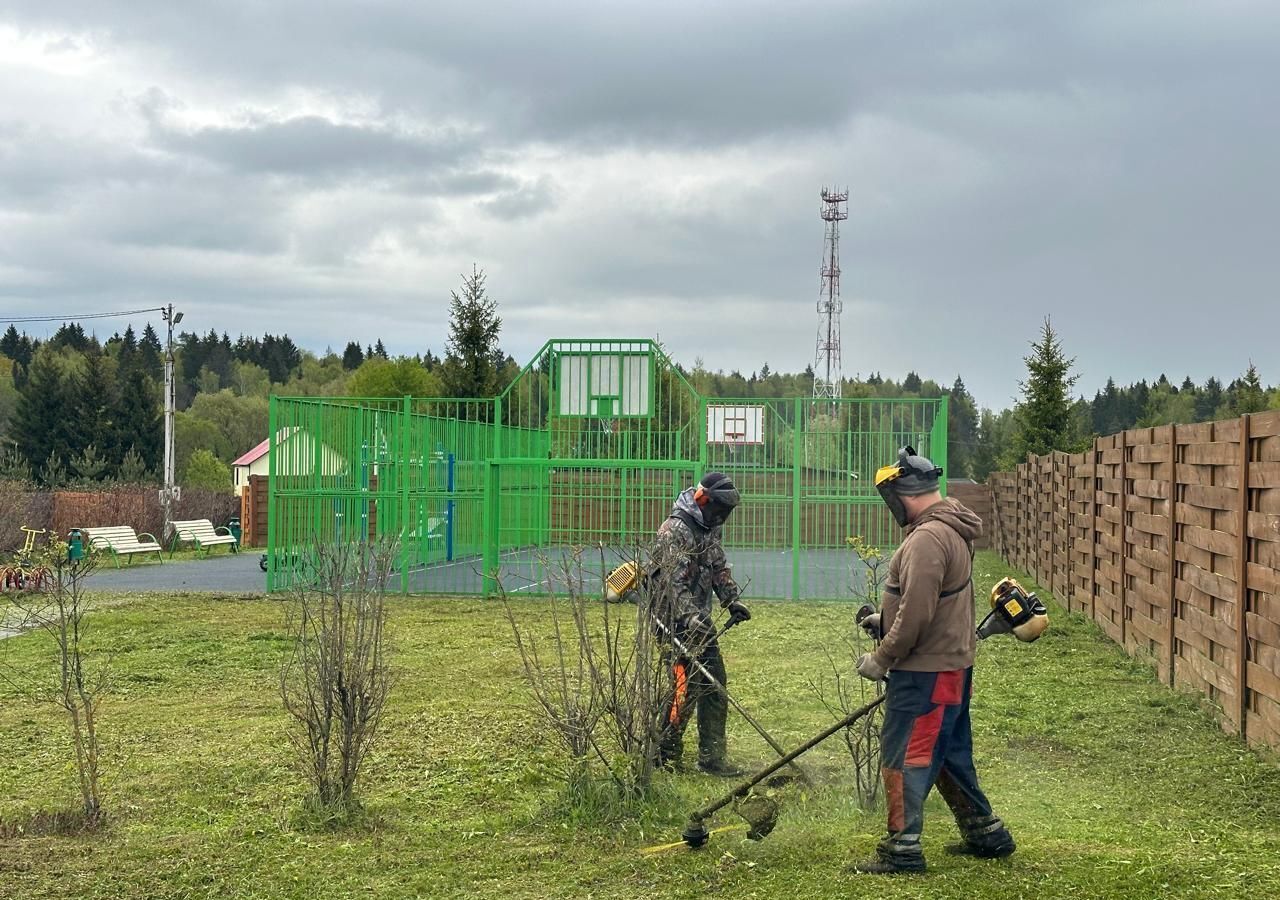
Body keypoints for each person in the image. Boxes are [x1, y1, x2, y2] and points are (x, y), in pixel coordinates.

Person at [851, 446, 1015, 875]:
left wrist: (882, 657)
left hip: (925, 673)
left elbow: (919, 613)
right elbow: (928, 603)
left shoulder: (926, 539)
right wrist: (882, 618)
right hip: (950, 666)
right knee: (949, 752)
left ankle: (903, 848)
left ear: (904, 492)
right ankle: (986, 832)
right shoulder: (950, 528)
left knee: (907, 753)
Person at [652, 471, 752, 777]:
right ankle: (664, 756)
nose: (723, 518)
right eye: (720, 510)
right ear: (704, 501)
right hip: (673, 623)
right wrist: (690, 617)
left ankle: (712, 758)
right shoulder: (674, 531)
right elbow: (673, 584)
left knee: (715, 686)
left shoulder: (710, 526)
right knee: (684, 689)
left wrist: (731, 599)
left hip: (700, 622)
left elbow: (717, 563)